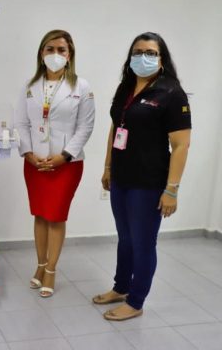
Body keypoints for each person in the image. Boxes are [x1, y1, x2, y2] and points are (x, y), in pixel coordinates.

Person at [93, 32, 191, 321]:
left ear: (161, 59)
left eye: (150, 53)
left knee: (143, 242)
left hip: (148, 183)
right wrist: (108, 168)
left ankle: (136, 301)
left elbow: (181, 145)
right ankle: (121, 287)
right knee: (125, 238)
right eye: (138, 52)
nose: (143, 57)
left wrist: (171, 190)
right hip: (121, 178)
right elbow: (115, 128)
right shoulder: (125, 87)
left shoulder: (171, 93)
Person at [15, 29, 95, 298]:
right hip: (35, 162)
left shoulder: (81, 87)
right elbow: (20, 123)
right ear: (41, 53)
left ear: (69, 55)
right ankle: (40, 265)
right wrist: (28, 153)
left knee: (56, 216)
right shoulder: (29, 86)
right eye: (50, 49)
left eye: (61, 50)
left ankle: (51, 270)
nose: (55, 54)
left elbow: (85, 127)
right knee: (40, 214)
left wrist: (64, 156)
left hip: (66, 164)